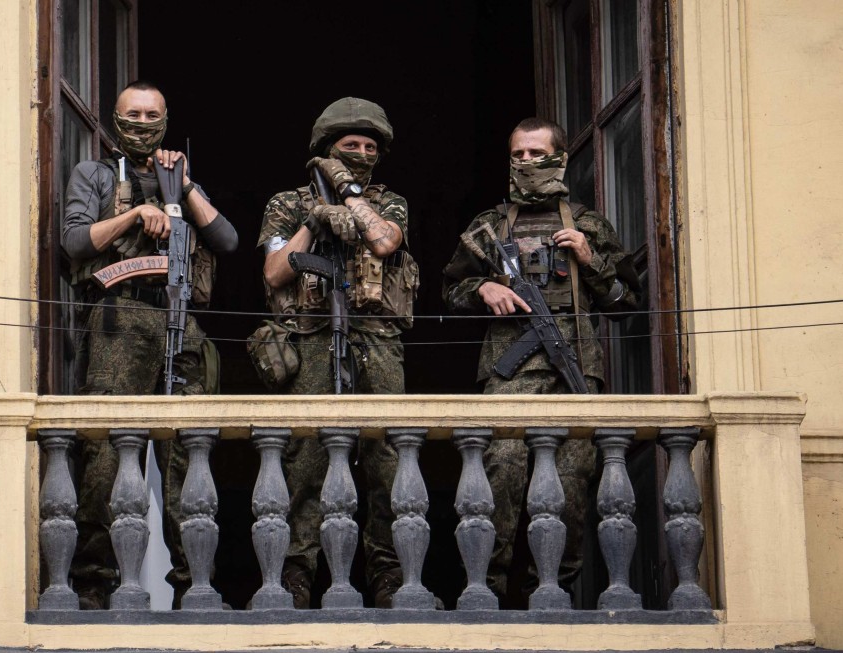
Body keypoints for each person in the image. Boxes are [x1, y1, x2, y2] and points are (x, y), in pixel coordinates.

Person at [441, 116, 641, 606]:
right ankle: (484, 592)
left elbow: (625, 304)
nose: (527, 163)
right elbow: (450, 289)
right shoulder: (488, 226)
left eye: (536, 154)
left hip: (574, 375)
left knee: (571, 490)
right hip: (509, 375)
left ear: (560, 158)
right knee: (499, 477)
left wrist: (591, 260)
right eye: (519, 155)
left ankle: (551, 593)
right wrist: (483, 287)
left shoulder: (588, 224)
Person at [61, 80, 238, 610]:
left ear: (166, 119)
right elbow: (72, 243)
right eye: (132, 114)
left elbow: (225, 240)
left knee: (190, 454)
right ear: (115, 121)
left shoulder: (179, 177)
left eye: (151, 114)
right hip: (120, 318)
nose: (142, 122)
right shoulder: (94, 175)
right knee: (108, 455)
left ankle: (196, 585)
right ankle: (94, 584)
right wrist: (137, 214)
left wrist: (179, 186)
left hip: (179, 320)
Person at [253, 97, 420, 608]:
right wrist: (317, 218)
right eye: (351, 146)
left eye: (371, 147)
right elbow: (275, 272)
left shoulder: (388, 202)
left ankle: (389, 575)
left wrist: (348, 196)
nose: (363, 153)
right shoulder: (286, 203)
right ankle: (296, 574)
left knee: (385, 462)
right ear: (327, 149)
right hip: (309, 343)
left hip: (377, 344)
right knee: (304, 461)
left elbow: (385, 241)